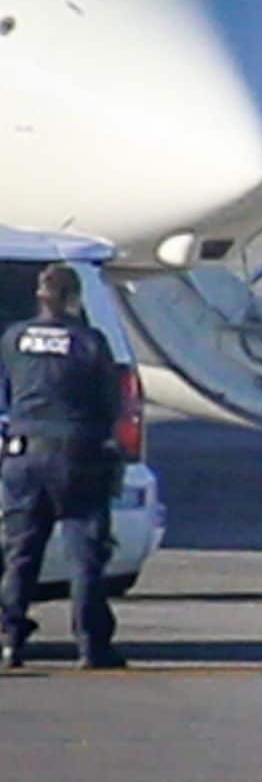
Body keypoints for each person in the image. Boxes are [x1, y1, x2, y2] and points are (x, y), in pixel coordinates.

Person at [1, 263, 125, 670]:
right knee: (85, 556)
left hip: (24, 455)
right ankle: (91, 646)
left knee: (21, 553)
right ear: (73, 299)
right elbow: (113, 405)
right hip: (78, 456)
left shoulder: (14, 339)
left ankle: (10, 640)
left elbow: (6, 396)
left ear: (40, 297)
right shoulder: (89, 342)